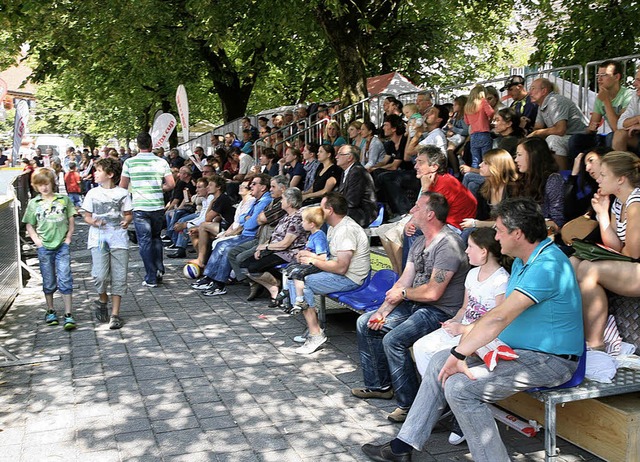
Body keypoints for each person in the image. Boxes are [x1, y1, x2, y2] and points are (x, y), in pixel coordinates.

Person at [361, 198, 583, 462]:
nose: (496, 237)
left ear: (518, 234)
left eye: (499, 230)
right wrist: (460, 346)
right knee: (438, 362)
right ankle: (403, 446)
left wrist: (460, 353)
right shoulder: (525, 261)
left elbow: (500, 316)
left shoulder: (548, 264)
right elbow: (497, 317)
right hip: (516, 350)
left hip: (550, 360)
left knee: (459, 387)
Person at [352, 192, 469, 423]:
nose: (412, 211)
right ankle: (381, 385)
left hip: (441, 311)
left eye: (417, 207)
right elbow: (404, 280)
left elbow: (433, 292)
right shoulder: (419, 242)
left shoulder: (448, 245)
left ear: (430, 214)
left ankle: (410, 404)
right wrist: (382, 311)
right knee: (366, 322)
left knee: (394, 340)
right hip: (417, 304)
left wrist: (403, 294)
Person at [412, 227, 509, 444]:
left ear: (484, 252)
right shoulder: (472, 274)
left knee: (440, 355)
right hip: (462, 329)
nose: (466, 251)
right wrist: (454, 321)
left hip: (482, 337)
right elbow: (465, 308)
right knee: (421, 347)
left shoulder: (501, 280)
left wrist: (464, 329)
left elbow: (497, 319)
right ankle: (446, 405)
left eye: (471, 247)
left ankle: (458, 413)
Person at [289, 192, 370, 355]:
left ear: (330, 210)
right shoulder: (336, 227)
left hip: (350, 279)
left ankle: (315, 334)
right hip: (340, 274)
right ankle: (314, 326)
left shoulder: (345, 230)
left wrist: (312, 261)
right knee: (296, 277)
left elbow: (341, 268)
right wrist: (310, 255)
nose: (318, 211)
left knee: (302, 282)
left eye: (321, 207)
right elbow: (328, 258)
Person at [576, 151, 640, 350]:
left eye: (604, 175)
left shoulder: (635, 202)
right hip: (630, 264)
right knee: (573, 263)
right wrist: (602, 214)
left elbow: (633, 253)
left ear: (620, 179)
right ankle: (573, 330)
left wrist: (616, 253)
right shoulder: (618, 202)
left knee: (588, 269)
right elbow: (615, 247)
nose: (598, 179)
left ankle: (595, 343)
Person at [191, 174, 272, 296]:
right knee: (221, 244)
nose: (251, 186)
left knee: (227, 248)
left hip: (253, 237)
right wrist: (247, 218)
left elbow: (250, 224)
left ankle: (219, 284)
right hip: (245, 234)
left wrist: (247, 219)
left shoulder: (264, 201)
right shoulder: (257, 201)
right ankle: (209, 278)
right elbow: (242, 218)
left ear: (263, 187)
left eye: (254, 184)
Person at [22, 168, 77, 330]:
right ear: (35, 186)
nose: (44, 188)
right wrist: (37, 242)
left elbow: (71, 219)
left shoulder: (63, 200)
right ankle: (50, 309)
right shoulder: (34, 203)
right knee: (48, 278)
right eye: (40, 185)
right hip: (44, 246)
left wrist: (68, 238)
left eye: (46, 184)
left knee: (65, 277)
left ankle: (68, 313)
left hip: (62, 245)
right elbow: (29, 224)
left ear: (52, 183)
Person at [81, 158, 132, 330]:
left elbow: (128, 214)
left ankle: (115, 314)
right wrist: (94, 222)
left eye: (99, 170)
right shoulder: (92, 193)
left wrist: (126, 221)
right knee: (100, 275)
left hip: (118, 240)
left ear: (110, 174)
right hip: (99, 240)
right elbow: (86, 215)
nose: (95, 173)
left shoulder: (123, 193)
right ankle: (103, 299)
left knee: (119, 276)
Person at [119, 132, 175, 288]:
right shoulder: (161, 162)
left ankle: (151, 276)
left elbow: (123, 187)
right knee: (156, 237)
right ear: (151, 144)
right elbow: (171, 184)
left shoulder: (129, 163)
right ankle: (159, 269)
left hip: (140, 207)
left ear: (138, 145)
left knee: (144, 242)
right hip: (157, 206)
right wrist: (159, 188)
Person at [239, 188, 308, 304]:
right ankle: (274, 285)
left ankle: (274, 288)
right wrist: (260, 247)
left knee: (253, 268)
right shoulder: (286, 216)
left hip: (288, 253)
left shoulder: (297, 219)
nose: (281, 202)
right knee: (244, 265)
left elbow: (286, 243)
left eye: (283, 199)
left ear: (290, 202)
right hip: (276, 250)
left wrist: (265, 247)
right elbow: (274, 237)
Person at [188, 178, 255, 269]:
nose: (208, 187)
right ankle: (203, 262)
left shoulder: (222, 198)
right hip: (228, 226)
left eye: (211, 185)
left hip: (232, 228)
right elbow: (217, 217)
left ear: (218, 187)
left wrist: (212, 202)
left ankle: (201, 260)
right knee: (195, 233)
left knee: (203, 227)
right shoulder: (219, 199)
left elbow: (207, 218)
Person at [570, 60, 632, 156]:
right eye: (598, 76)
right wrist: (590, 128)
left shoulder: (628, 95)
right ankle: (577, 169)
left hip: (627, 137)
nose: (599, 79)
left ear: (617, 77)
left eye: (604, 75)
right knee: (576, 139)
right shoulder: (601, 97)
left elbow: (617, 128)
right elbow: (592, 126)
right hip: (613, 135)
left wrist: (606, 101)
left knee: (611, 137)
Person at [528, 77, 587, 170]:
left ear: (544, 91)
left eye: (533, 88)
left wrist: (536, 133)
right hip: (568, 136)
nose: (529, 92)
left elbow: (560, 130)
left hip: (580, 136)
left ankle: (562, 178)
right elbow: (538, 128)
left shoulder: (555, 101)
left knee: (553, 140)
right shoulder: (541, 105)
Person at [281, 206, 329, 314]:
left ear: (311, 224)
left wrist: (308, 255)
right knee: (288, 268)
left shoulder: (319, 236)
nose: (301, 223)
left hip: (316, 265)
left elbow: (323, 256)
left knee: (297, 273)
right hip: (308, 262)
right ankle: (286, 291)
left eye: (303, 221)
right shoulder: (312, 236)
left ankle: (299, 300)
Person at [460, 149, 519, 233]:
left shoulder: (513, 189)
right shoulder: (483, 188)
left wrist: (476, 223)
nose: (480, 165)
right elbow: (482, 216)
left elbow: (511, 223)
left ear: (497, 166)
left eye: (485, 163)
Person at [514, 138, 566, 231]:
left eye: (519, 155)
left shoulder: (553, 180)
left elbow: (557, 221)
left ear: (533, 156)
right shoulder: (523, 179)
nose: (516, 160)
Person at [336, 145, 378, 227]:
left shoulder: (357, 172)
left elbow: (352, 201)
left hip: (362, 213)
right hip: (351, 210)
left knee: (328, 214)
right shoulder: (346, 171)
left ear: (350, 157)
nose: (336, 157)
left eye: (340, 154)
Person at [464, 85, 495, 169]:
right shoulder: (483, 102)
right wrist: (489, 120)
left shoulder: (467, 106)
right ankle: (485, 179)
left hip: (473, 135)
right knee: (486, 159)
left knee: (475, 159)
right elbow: (491, 112)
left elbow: (467, 122)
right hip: (484, 133)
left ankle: (474, 175)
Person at [613, 69, 640, 153]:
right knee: (619, 134)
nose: (634, 84)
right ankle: (621, 165)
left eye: (639, 80)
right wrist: (638, 119)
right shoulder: (636, 97)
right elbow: (620, 124)